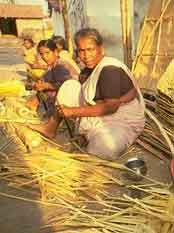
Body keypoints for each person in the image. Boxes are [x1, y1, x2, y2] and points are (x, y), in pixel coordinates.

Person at [31, 28, 145, 160]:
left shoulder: (109, 69)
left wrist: (73, 111)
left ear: (101, 49)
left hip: (121, 121)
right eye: (81, 51)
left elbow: (110, 107)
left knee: (102, 147)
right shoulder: (88, 70)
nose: (86, 55)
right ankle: (51, 126)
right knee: (69, 86)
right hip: (100, 114)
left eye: (90, 49)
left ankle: (88, 136)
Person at [26, 39, 79, 132]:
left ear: (55, 52)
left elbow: (68, 86)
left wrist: (46, 86)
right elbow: (45, 80)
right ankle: (32, 107)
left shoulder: (61, 65)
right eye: (41, 54)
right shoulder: (52, 66)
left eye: (47, 53)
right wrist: (39, 85)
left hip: (71, 103)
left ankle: (51, 127)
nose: (44, 57)